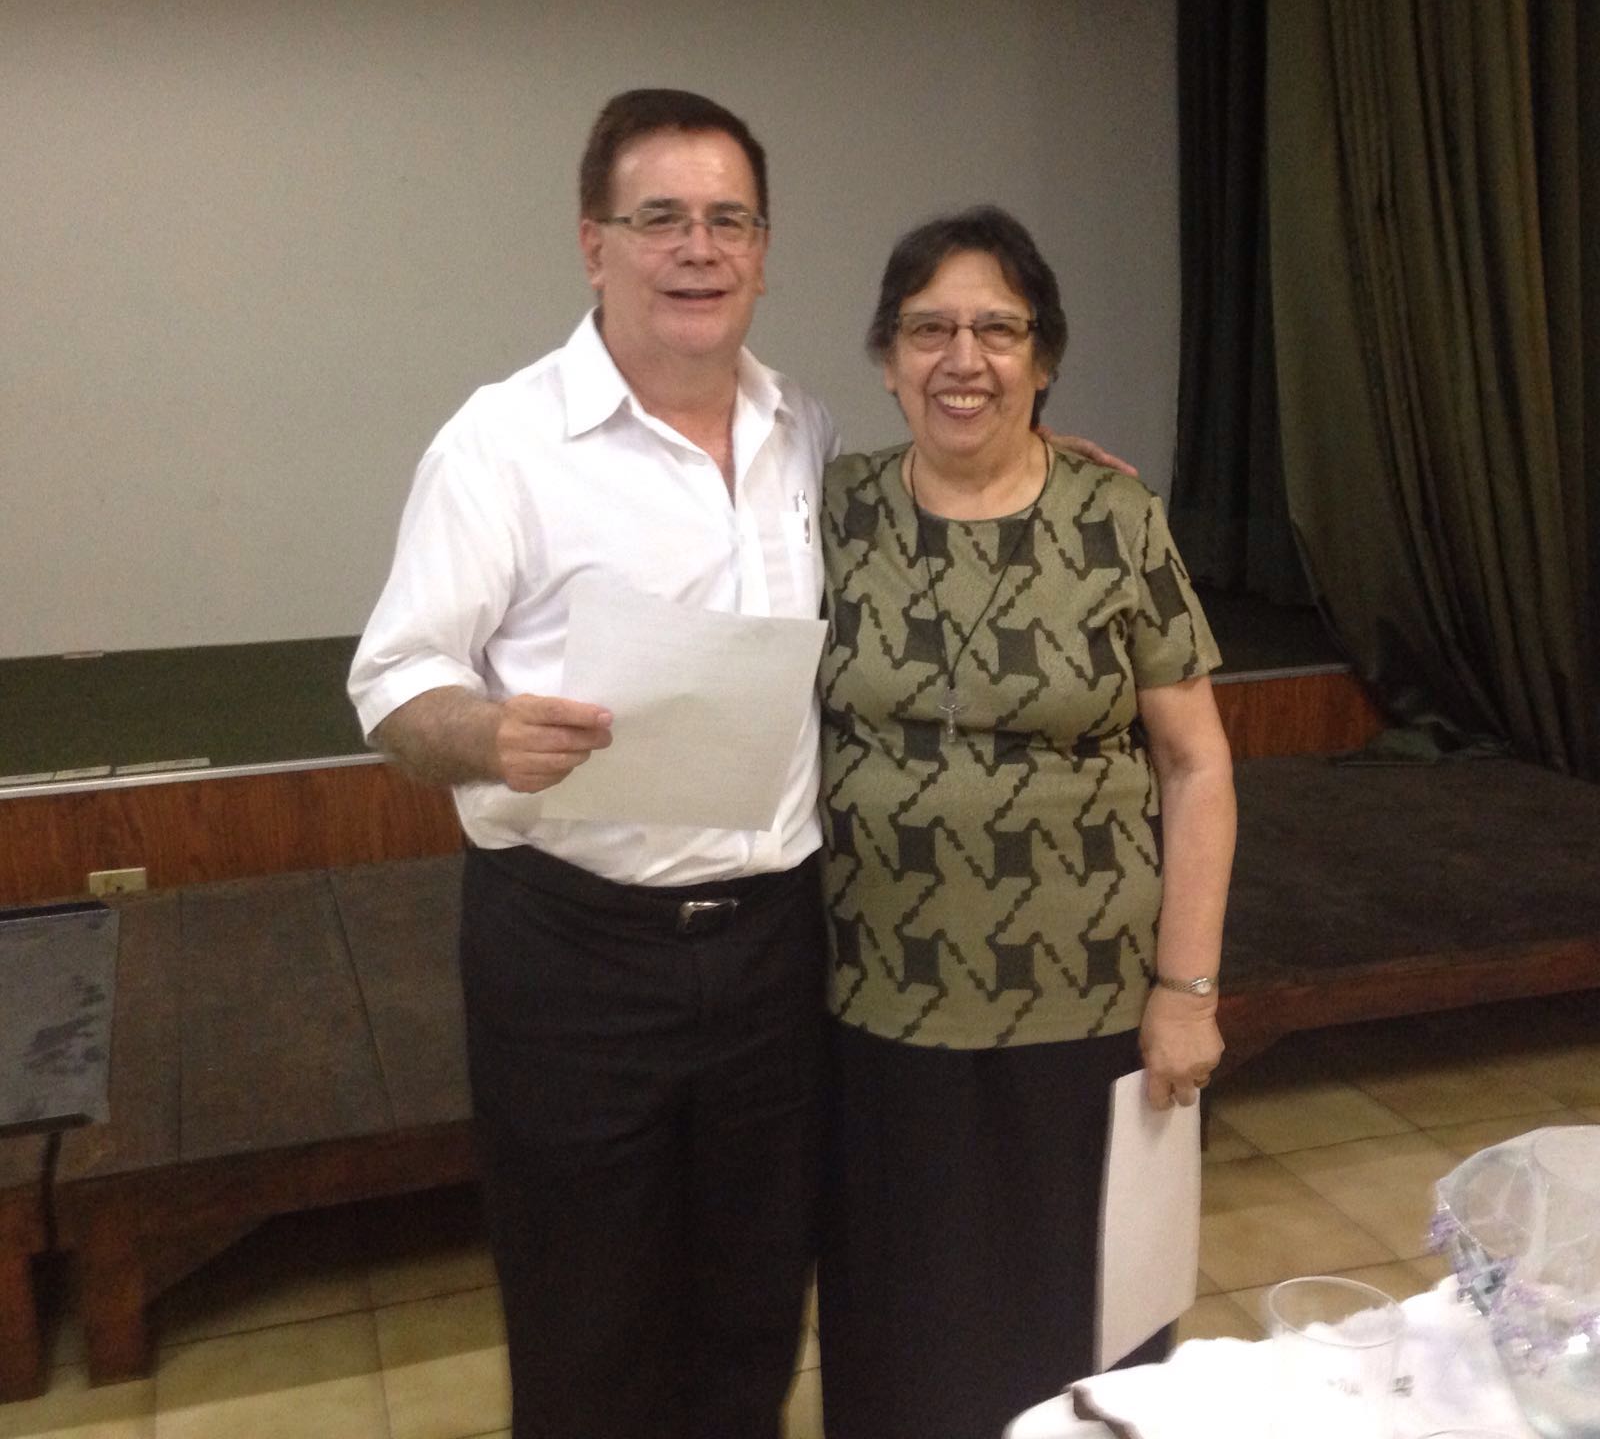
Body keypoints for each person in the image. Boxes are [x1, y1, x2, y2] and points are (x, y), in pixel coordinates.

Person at [348, 93, 1129, 1438]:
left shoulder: (802, 433)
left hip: (777, 950)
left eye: (729, 220)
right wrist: (485, 732)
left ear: (764, 251)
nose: (697, 248)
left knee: (754, 1315)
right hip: (577, 957)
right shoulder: (502, 444)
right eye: (660, 218)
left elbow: (954, 472)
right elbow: (393, 682)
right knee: (588, 1328)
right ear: (594, 243)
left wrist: (1047, 461)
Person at [815, 205, 1236, 1439]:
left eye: (997, 330)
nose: (964, 359)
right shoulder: (828, 509)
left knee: (1084, 1334)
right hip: (874, 1013)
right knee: (901, 1334)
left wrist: (1188, 990)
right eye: (928, 329)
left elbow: (1196, 763)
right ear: (886, 358)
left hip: (1091, 1014)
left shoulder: (1117, 520)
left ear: (1042, 358)